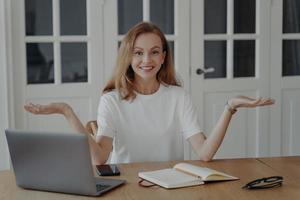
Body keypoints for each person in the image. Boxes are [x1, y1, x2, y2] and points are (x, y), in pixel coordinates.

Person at [24, 22, 274, 165]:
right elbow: (99, 158)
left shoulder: (178, 97)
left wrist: (230, 107)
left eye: (155, 52)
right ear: (128, 57)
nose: (147, 60)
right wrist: (67, 112)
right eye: (138, 52)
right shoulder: (111, 100)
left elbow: (205, 153)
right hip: (127, 188)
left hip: (171, 188)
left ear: (164, 57)